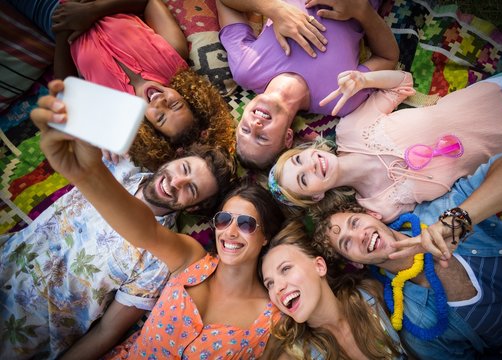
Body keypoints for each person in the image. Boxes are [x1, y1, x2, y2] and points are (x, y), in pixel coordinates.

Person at [30, 95, 289, 358]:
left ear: (265, 235)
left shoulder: (273, 318)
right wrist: (86, 174)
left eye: (246, 224)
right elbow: (144, 229)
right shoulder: (193, 261)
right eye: (223, 220)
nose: (230, 232)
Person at [0, 143, 235, 360]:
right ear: (175, 157)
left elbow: (106, 332)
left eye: (191, 189)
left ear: (192, 207)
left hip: (23, 335)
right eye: (183, 168)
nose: (176, 182)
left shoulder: (158, 261)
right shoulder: (117, 164)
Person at [309, 148, 502, 359]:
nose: (360, 235)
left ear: (374, 214)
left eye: (355, 222)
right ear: (356, 264)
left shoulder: (443, 208)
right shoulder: (418, 327)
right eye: (346, 243)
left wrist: (458, 219)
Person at [269, 63, 502, 222]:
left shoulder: (350, 129)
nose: (310, 165)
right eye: (304, 179)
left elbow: (402, 83)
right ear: (316, 196)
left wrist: (364, 80)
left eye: (298, 159)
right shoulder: (380, 207)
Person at [7, 0, 235, 171]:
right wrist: (92, 10)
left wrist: (63, 31)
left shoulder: (112, 107)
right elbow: (147, 2)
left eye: (161, 117)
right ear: (188, 98)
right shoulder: (174, 56)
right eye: (176, 105)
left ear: (148, 126)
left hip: (52, 13)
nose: (161, 101)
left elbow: (65, 85)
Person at [217, 0, 400, 169]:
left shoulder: (247, 70)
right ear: (288, 137)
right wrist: (362, 10)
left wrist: (274, 9)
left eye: (245, 129)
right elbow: (388, 57)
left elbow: (225, 3)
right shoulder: (339, 99)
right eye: (262, 138)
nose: (255, 125)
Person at [261, 220, 406, 359]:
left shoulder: (373, 296)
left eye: (286, 269)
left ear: (319, 266)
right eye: (270, 284)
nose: (278, 288)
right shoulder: (294, 355)